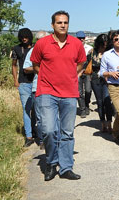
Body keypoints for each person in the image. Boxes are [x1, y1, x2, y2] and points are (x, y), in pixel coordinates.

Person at [31, 11, 86, 181]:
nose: (63, 25)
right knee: (48, 130)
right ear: (52, 25)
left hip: (69, 93)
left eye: (65, 22)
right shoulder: (42, 43)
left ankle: (66, 168)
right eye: (59, 22)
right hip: (47, 92)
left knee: (67, 132)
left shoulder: (76, 44)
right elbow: (35, 64)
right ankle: (51, 162)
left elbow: (81, 64)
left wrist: (70, 78)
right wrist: (48, 78)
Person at [22, 30, 49, 148]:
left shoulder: (53, 50)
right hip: (37, 86)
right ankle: (43, 140)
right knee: (39, 115)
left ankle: (51, 138)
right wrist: (38, 67)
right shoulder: (32, 52)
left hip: (52, 87)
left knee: (50, 115)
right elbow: (26, 68)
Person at [11, 28, 35, 147]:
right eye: (21, 37)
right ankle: (29, 136)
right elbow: (14, 65)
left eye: (26, 37)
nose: (24, 39)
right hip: (23, 83)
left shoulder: (36, 47)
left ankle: (38, 133)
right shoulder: (16, 49)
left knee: (37, 109)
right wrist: (15, 80)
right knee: (26, 110)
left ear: (30, 37)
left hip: (36, 83)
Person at [90, 34, 114, 133]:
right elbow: (86, 65)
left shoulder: (111, 53)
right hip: (95, 79)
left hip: (108, 80)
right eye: (102, 44)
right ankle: (102, 123)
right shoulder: (92, 53)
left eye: (106, 44)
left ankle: (109, 123)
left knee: (107, 101)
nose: (104, 46)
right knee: (100, 102)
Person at [76, 31, 92, 118]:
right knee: (79, 92)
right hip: (77, 72)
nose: (81, 40)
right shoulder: (73, 48)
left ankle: (87, 105)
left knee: (88, 90)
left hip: (87, 72)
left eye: (83, 38)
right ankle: (82, 109)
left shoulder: (89, 48)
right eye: (79, 38)